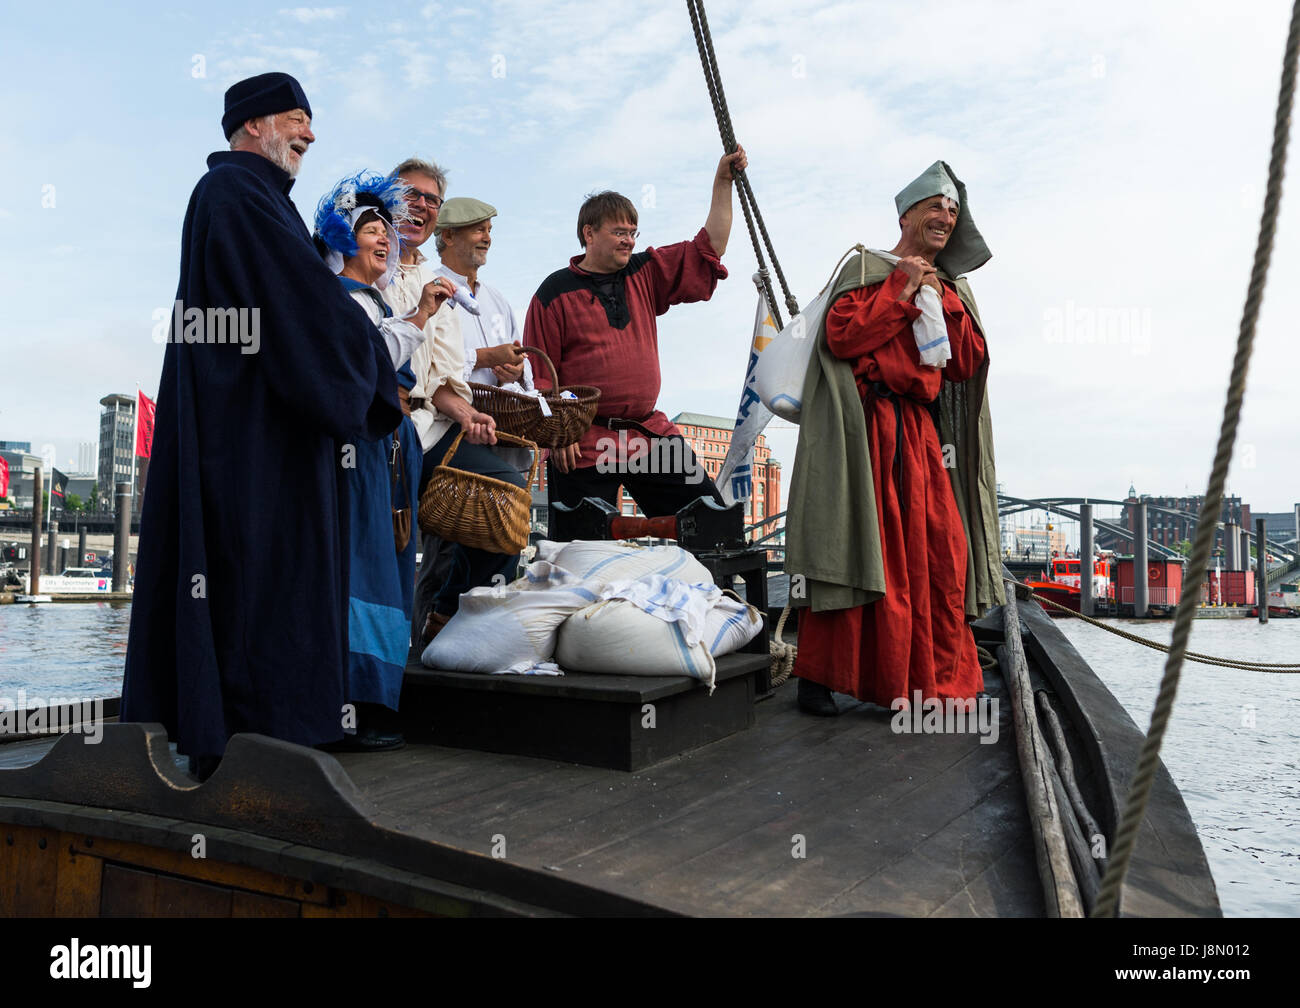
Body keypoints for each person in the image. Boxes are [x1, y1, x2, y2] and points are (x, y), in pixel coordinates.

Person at [121, 73, 405, 778]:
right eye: (298, 119)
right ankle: (262, 742)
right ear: (254, 124)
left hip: (253, 425)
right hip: (256, 442)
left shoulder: (246, 199)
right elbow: (304, 311)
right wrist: (369, 362)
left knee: (243, 581)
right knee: (260, 577)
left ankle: (245, 736)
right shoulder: (240, 196)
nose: (309, 134)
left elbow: (296, 309)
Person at [785, 161, 1003, 717]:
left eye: (954, 211)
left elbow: (968, 363)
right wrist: (904, 285)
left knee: (936, 555)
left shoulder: (951, 288)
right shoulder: (865, 267)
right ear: (908, 213)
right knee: (850, 546)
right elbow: (843, 336)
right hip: (864, 435)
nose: (946, 217)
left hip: (922, 438)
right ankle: (821, 676)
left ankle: (922, 680)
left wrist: (941, 294)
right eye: (936, 206)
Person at [523, 147, 747, 518]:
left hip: (647, 434)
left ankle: (716, 576)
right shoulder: (554, 292)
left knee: (711, 524)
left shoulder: (644, 272)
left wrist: (723, 182)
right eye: (619, 232)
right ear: (589, 233)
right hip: (584, 441)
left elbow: (709, 247)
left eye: (632, 232)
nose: (629, 240)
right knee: (579, 551)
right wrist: (556, 433)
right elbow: (540, 376)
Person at [312, 171, 454, 749]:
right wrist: (420, 318)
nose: (382, 238)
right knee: (363, 565)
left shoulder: (370, 299)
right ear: (341, 239)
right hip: (362, 453)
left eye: (384, 231)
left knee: (392, 568)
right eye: (368, 228)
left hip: (393, 450)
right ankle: (353, 702)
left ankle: (379, 696)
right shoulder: (339, 301)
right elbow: (369, 363)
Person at [383, 160, 521, 647]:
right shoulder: (370, 262)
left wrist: (468, 414)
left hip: (433, 425)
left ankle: (448, 618)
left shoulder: (436, 280)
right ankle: (393, 662)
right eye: (411, 195)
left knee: (506, 495)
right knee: (394, 545)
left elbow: (442, 370)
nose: (421, 205)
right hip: (380, 427)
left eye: (431, 199)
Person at [432, 197, 532, 389]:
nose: (487, 239)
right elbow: (427, 365)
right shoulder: (428, 290)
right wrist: (485, 357)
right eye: (479, 230)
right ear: (448, 236)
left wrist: (517, 370)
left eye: (489, 230)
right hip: (445, 418)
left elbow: (521, 363)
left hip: (501, 416)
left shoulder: (497, 299)